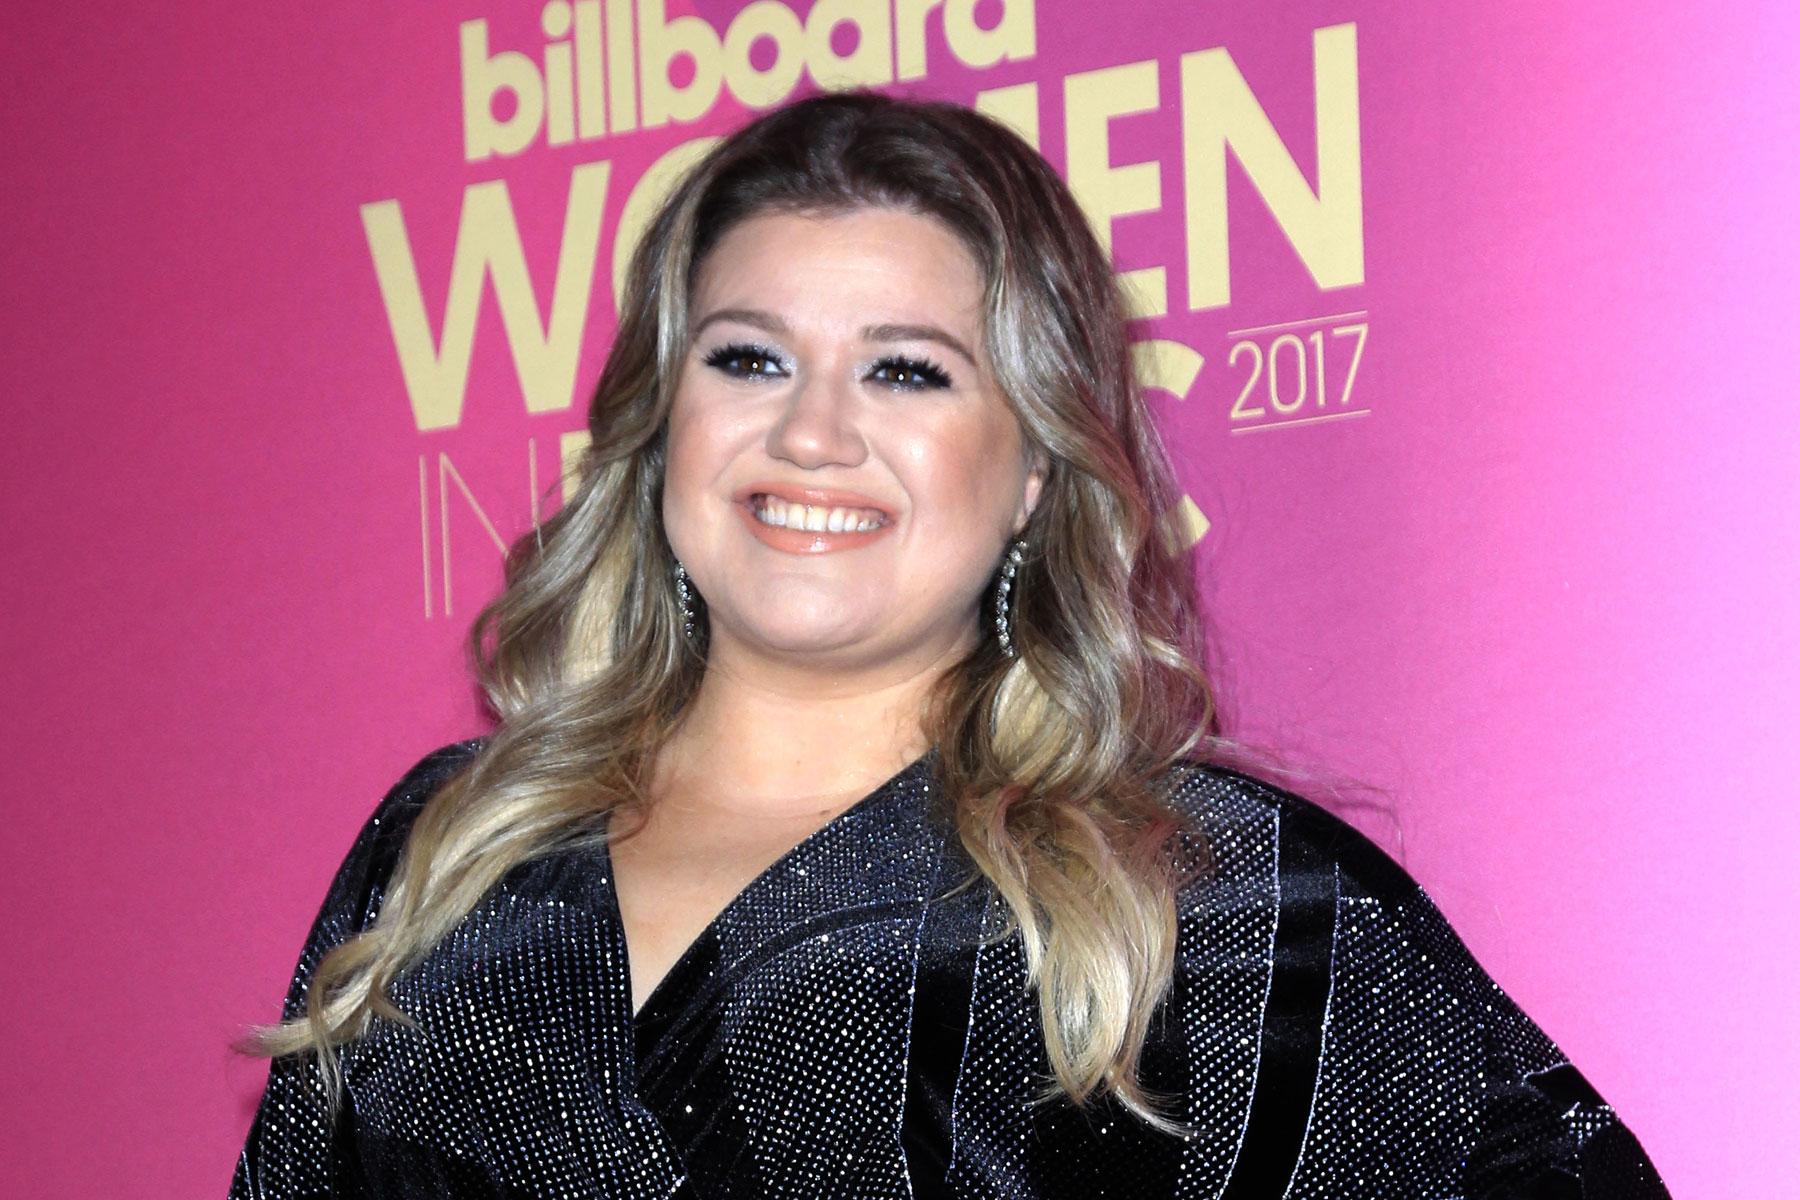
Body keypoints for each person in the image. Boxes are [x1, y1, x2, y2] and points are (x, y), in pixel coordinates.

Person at [227, 90, 1669, 1198]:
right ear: (661, 422)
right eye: (749, 358)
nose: (811, 433)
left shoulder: (1218, 901)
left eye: (906, 372)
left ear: (1035, 465)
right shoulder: (451, 848)